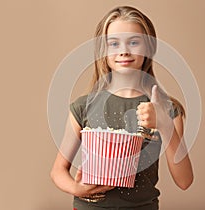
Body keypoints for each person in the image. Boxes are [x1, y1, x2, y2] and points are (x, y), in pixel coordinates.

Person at [50, 6, 193, 210]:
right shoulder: (84, 107)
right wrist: (77, 189)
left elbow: (184, 181)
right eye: (114, 44)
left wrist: (164, 124)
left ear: (148, 48)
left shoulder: (167, 109)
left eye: (134, 42)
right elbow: (57, 171)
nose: (124, 51)